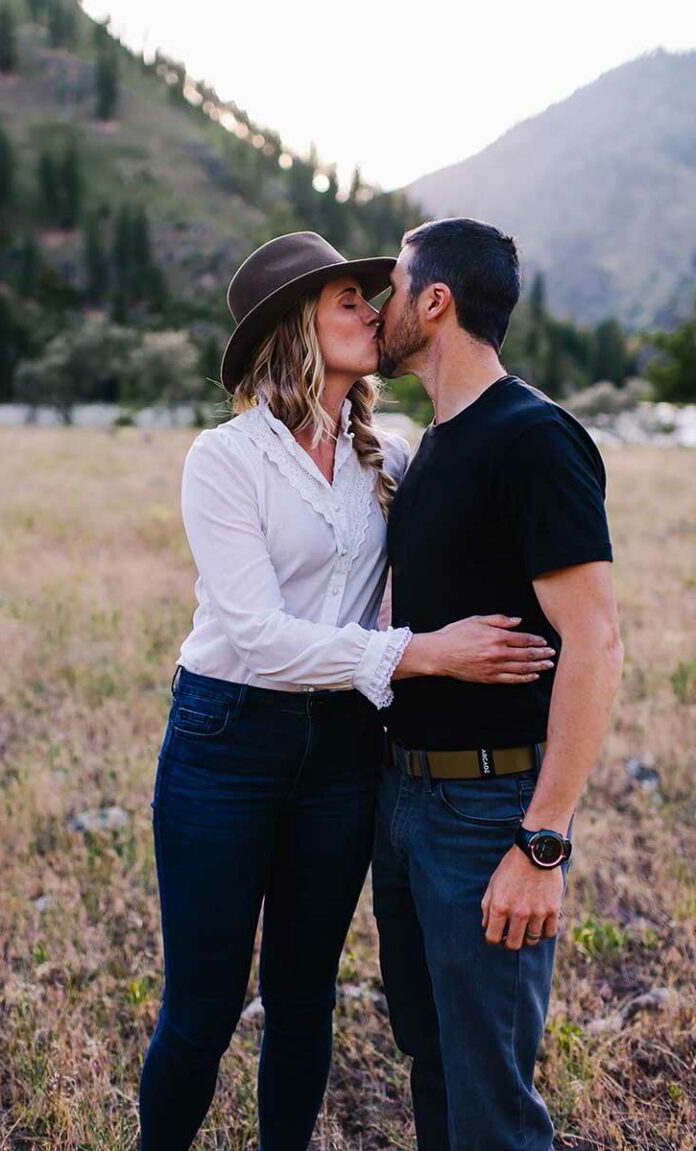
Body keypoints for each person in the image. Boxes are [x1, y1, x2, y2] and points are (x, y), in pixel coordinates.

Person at [138, 231, 555, 1151]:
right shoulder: (225, 459)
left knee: (303, 996)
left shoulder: (392, 454)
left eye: (375, 295)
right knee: (202, 1008)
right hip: (226, 741)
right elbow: (256, 634)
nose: (375, 310)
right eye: (349, 302)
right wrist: (424, 655)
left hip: (340, 754)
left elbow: (454, 556)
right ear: (297, 328)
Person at [373, 217, 625, 1151]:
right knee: (435, 1063)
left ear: (434, 301)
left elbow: (594, 641)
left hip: (488, 813)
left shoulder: (534, 437)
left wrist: (543, 841)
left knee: (491, 1103)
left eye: (393, 287)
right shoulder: (436, 443)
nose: (377, 307)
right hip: (403, 801)